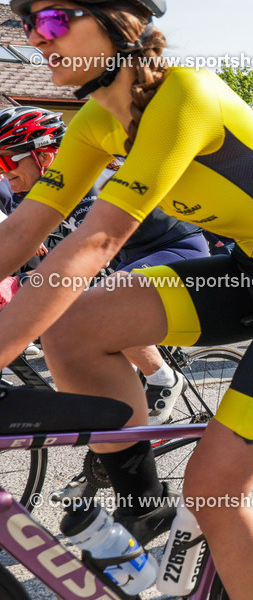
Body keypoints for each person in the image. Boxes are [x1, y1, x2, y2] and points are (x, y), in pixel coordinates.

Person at [8, 0, 253, 598]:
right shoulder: (93, 123)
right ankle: (143, 506)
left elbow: (93, 242)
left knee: (214, 487)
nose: (35, 37)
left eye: (53, 19)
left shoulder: (185, 97)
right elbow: (23, 230)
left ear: (120, 21)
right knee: (72, 329)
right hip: (246, 268)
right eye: (25, 23)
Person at [0, 106, 209, 424]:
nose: (2, 173)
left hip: (176, 250)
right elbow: (15, 245)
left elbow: (88, 258)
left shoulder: (92, 178)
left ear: (44, 154)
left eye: (5, 160)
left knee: (87, 302)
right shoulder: (26, 190)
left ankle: (162, 377)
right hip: (129, 261)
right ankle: (110, 454)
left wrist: (18, 285)